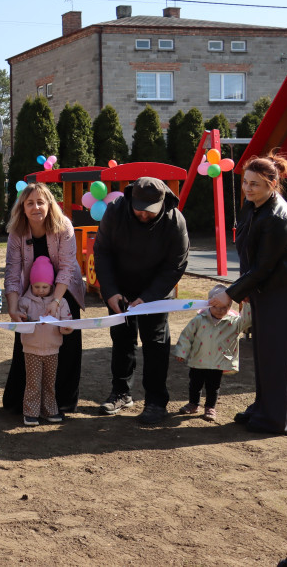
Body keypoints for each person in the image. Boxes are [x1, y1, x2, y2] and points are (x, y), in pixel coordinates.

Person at [210, 152, 287, 435]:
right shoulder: (254, 206)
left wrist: (231, 294)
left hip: (284, 292)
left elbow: (264, 266)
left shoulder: (278, 216)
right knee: (264, 352)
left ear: (272, 184)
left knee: (280, 354)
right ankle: (264, 408)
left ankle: (278, 419)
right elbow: (251, 257)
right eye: (246, 182)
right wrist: (245, 288)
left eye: (255, 184)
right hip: (264, 288)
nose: (248, 189)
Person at [93, 176, 189, 425]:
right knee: (122, 339)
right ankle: (121, 392)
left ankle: (156, 401)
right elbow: (102, 252)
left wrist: (148, 298)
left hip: (155, 292)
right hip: (120, 289)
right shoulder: (115, 212)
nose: (143, 215)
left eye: (150, 211)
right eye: (139, 209)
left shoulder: (175, 221)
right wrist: (111, 291)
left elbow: (175, 265)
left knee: (156, 344)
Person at [2, 183, 87, 414]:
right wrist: (12, 309)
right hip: (31, 292)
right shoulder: (17, 232)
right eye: (30, 203)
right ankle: (20, 403)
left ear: (50, 205)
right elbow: (11, 272)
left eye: (41, 202)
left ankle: (62, 404)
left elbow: (67, 268)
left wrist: (55, 302)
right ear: (22, 207)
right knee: (27, 343)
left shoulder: (64, 227)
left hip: (64, 290)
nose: (36, 207)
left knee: (65, 346)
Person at [173, 285, 251, 423]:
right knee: (195, 384)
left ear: (230, 306)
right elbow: (187, 336)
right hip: (199, 359)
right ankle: (193, 404)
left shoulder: (233, 322)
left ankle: (210, 407)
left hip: (218, 362)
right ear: (209, 304)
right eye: (216, 307)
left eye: (225, 307)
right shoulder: (199, 320)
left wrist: (247, 304)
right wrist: (182, 352)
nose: (220, 311)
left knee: (213, 386)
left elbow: (247, 321)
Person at [17, 257, 73, 426]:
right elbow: (19, 325)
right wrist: (25, 321)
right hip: (31, 349)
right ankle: (30, 412)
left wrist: (66, 328)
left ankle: (49, 410)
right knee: (33, 382)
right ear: (31, 285)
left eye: (44, 287)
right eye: (36, 287)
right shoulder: (24, 302)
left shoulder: (61, 302)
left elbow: (66, 323)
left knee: (49, 382)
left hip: (53, 348)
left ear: (51, 286)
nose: (40, 290)